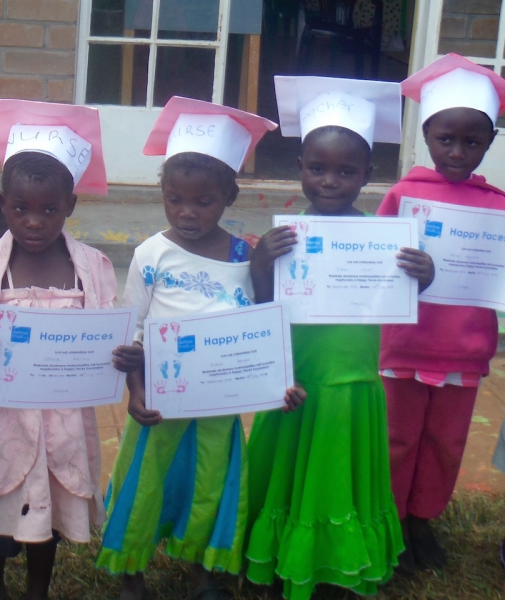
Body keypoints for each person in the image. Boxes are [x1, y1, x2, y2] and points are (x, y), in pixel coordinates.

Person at [95, 96, 305, 600]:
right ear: (163, 194)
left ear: (230, 196)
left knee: (212, 482)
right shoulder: (152, 254)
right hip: (161, 401)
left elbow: (261, 330)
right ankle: (131, 569)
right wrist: (135, 392)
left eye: (203, 201)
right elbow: (134, 331)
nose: (186, 212)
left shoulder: (243, 255)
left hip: (220, 401)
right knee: (146, 480)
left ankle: (203, 568)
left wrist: (281, 383)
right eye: (174, 199)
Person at [0, 99, 143, 600]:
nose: (34, 221)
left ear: (70, 206)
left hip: (63, 420)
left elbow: (109, 333)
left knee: (47, 511)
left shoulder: (90, 267)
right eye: (21, 209)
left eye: (49, 209)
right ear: (2, 204)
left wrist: (119, 357)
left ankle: (37, 589)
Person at [245, 76, 434, 599]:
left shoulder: (384, 241)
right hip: (295, 375)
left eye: (346, 171)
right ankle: (277, 551)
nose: (330, 181)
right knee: (287, 468)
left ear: (367, 175)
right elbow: (262, 306)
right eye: (317, 168)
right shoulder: (285, 237)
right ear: (300, 168)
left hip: (351, 381)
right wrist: (262, 262)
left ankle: (336, 557)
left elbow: (405, 295)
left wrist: (424, 272)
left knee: (339, 471)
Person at [376, 53, 505, 571]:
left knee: (445, 442)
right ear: (426, 136)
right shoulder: (404, 196)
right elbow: (373, 271)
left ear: (490, 142)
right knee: (397, 438)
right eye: (444, 138)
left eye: (472, 141)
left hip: (464, 350)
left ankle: (423, 520)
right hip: (403, 345)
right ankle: (392, 524)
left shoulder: (497, 206)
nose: (457, 150)